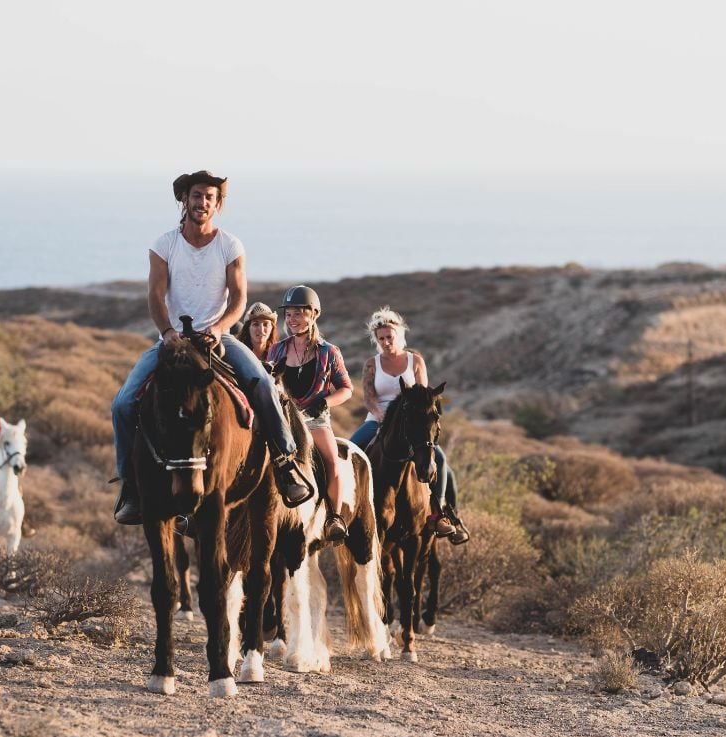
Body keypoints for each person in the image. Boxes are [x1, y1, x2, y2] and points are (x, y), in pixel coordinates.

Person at [110, 170, 314, 523]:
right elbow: (155, 295)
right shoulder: (164, 245)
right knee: (124, 402)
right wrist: (167, 330)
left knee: (264, 385)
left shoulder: (230, 246)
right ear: (184, 201)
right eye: (196, 196)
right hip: (173, 340)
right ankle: (131, 485)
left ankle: (286, 463)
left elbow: (239, 298)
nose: (202, 202)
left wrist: (219, 328)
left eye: (209, 197)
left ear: (217, 205)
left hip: (220, 336)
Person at [350, 307, 469, 545]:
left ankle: (443, 514)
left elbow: (423, 396)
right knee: (350, 451)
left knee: (441, 461)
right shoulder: (371, 365)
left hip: (412, 422)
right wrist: (381, 414)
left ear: (399, 335)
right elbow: (369, 397)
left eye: (389, 337)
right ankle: (346, 511)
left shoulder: (415, 361)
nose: (385, 342)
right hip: (379, 420)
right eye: (381, 338)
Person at [266, 286, 353, 543]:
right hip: (282, 419)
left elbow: (346, 389)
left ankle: (334, 517)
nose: (292, 320)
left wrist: (325, 403)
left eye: (298, 314)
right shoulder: (276, 351)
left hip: (315, 419)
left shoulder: (329, 352)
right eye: (289, 315)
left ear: (314, 314)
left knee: (332, 461)